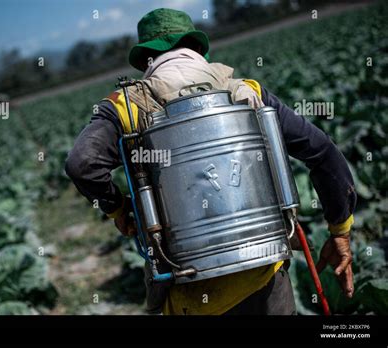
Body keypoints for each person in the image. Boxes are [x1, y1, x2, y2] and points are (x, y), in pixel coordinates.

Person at [65, 8, 357, 315]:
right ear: (195, 48)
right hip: (263, 280)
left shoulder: (125, 106)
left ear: (146, 60)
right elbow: (321, 151)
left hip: (188, 287)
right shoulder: (246, 92)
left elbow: (82, 164)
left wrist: (118, 208)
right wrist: (340, 231)